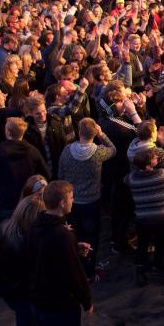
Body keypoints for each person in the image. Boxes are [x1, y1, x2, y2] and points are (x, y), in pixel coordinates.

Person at [27, 180, 93, 326]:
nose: (73, 201)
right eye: (71, 197)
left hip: (38, 299)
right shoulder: (62, 235)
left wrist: (74, 248)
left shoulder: (35, 226)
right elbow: (74, 273)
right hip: (59, 304)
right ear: (62, 202)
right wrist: (87, 301)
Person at [58, 117, 116, 280]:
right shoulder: (98, 152)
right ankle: (89, 270)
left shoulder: (67, 150)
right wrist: (102, 134)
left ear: (79, 131)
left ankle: (75, 268)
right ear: (94, 133)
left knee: (74, 236)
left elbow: (60, 175)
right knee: (91, 238)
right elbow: (113, 149)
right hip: (91, 202)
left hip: (72, 202)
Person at [127, 145, 164, 285]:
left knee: (143, 244)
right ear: (151, 163)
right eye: (155, 157)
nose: (157, 158)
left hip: (142, 219)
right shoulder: (162, 174)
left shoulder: (131, 178)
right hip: (161, 218)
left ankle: (140, 271)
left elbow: (126, 180)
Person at [0, 193, 46, 326]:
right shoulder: (33, 242)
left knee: (22, 319)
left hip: (10, 292)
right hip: (28, 296)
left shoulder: (3, 230)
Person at [0, 117, 48, 221]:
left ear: (8, 132)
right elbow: (45, 174)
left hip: (5, 202)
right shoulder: (32, 151)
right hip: (28, 201)